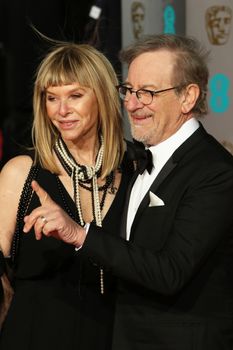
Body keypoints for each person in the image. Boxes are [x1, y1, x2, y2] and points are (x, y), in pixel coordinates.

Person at [13, 34, 233, 349]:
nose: (130, 104)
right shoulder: (135, 162)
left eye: (147, 93)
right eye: (129, 90)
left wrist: (79, 234)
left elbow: (169, 272)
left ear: (188, 97)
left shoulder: (215, 172)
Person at [0, 40, 134, 349]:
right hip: (34, 335)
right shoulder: (21, 173)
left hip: (113, 335)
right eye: (51, 98)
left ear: (101, 96)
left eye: (75, 95)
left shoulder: (134, 171)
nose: (62, 111)